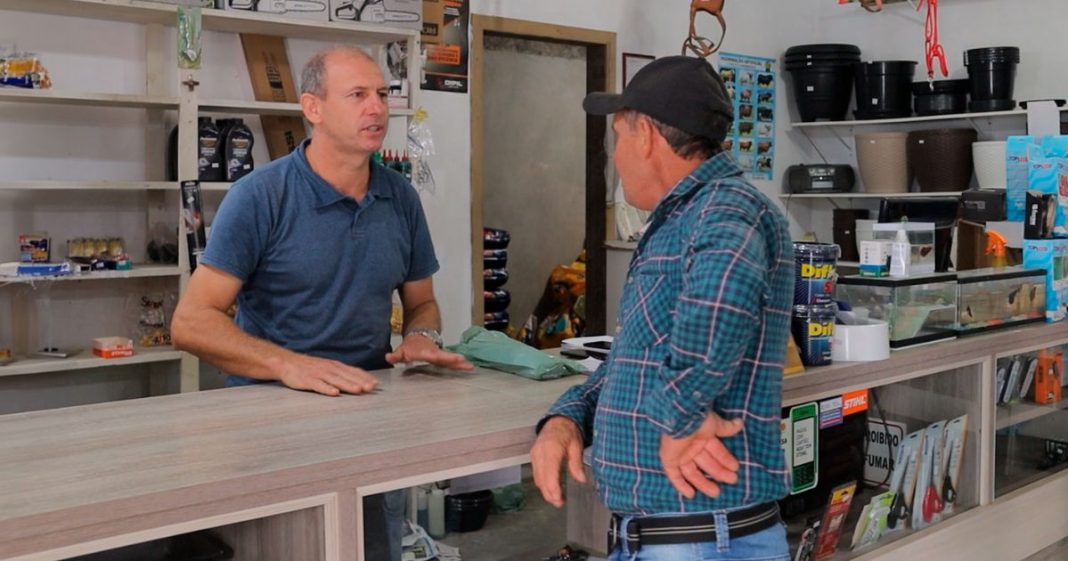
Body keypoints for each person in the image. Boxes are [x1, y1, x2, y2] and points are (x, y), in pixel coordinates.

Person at [171, 46, 471, 561]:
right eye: (357, 95)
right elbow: (191, 322)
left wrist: (423, 336)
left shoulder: (400, 198)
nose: (376, 108)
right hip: (268, 425)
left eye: (381, 94)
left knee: (373, 548)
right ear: (312, 108)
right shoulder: (259, 196)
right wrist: (291, 365)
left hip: (370, 411)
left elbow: (422, 302)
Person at [530, 56, 794, 560]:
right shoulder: (686, 218)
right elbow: (637, 361)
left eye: (618, 139)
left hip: (696, 538)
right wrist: (566, 417)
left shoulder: (724, 206)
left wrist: (680, 414)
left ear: (646, 135)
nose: (615, 158)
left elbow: (725, 300)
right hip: (683, 535)